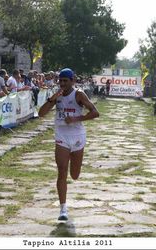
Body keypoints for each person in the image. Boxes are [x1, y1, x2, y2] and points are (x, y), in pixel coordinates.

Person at [38, 68, 99, 221]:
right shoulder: (56, 96)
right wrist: (53, 98)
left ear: (73, 81)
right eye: (61, 81)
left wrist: (76, 119)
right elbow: (41, 113)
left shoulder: (79, 94)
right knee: (62, 171)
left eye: (66, 81)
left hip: (77, 136)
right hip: (61, 136)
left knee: (75, 175)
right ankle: (63, 209)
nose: (63, 84)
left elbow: (95, 112)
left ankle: (75, 162)